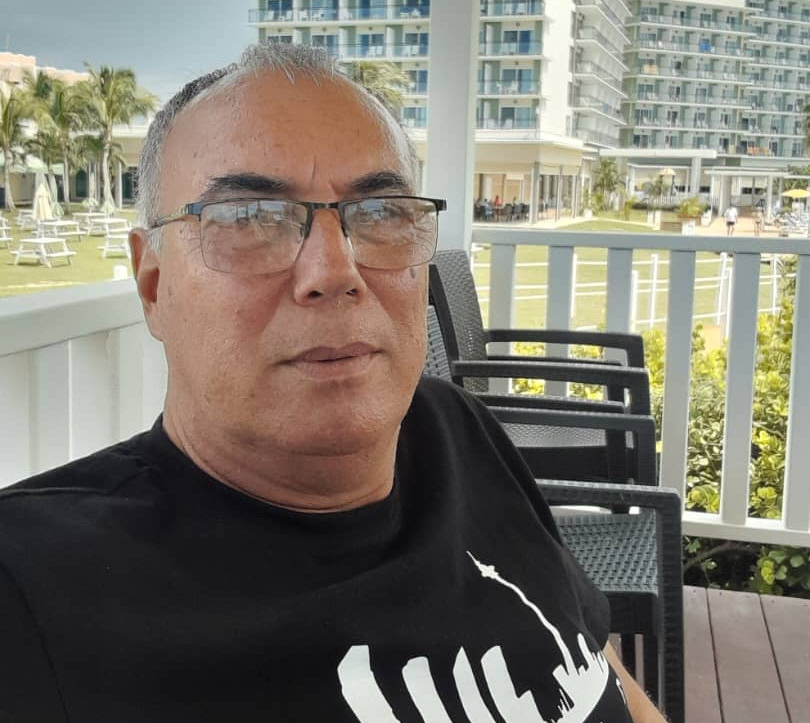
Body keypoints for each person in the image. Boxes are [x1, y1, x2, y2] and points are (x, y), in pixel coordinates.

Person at [0, 44, 664, 722]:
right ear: (154, 284)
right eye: (250, 218)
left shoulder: (456, 430)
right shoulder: (35, 589)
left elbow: (592, 668)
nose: (334, 269)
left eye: (380, 214)